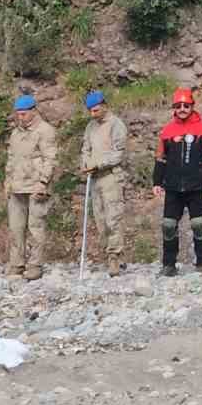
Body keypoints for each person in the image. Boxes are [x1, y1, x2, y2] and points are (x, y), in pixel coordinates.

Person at [152, 87, 202, 276]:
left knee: (198, 224)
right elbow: (160, 158)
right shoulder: (167, 131)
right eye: (179, 105)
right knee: (168, 225)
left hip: (197, 186)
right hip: (173, 187)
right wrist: (157, 181)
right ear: (174, 107)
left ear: (192, 106)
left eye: (186, 105)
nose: (182, 108)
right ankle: (169, 264)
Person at [5, 93, 56, 280]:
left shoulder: (45, 130)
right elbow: (11, 158)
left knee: (35, 227)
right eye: (18, 114)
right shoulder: (16, 133)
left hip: (36, 185)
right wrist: (8, 181)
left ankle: (35, 265)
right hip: (17, 185)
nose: (21, 117)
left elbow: (50, 158)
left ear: (33, 111)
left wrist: (43, 182)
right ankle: (16, 263)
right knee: (16, 228)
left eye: (24, 113)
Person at [79, 90, 130, 276]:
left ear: (104, 105)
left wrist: (98, 163)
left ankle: (115, 257)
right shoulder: (90, 127)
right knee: (100, 220)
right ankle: (110, 255)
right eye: (91, 111)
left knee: (113, 219)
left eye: (96, 110)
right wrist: (85, 162)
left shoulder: (116, 124)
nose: (93, 114)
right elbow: (86, 148)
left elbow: (118, 153)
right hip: (94, 179)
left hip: (111, 177)